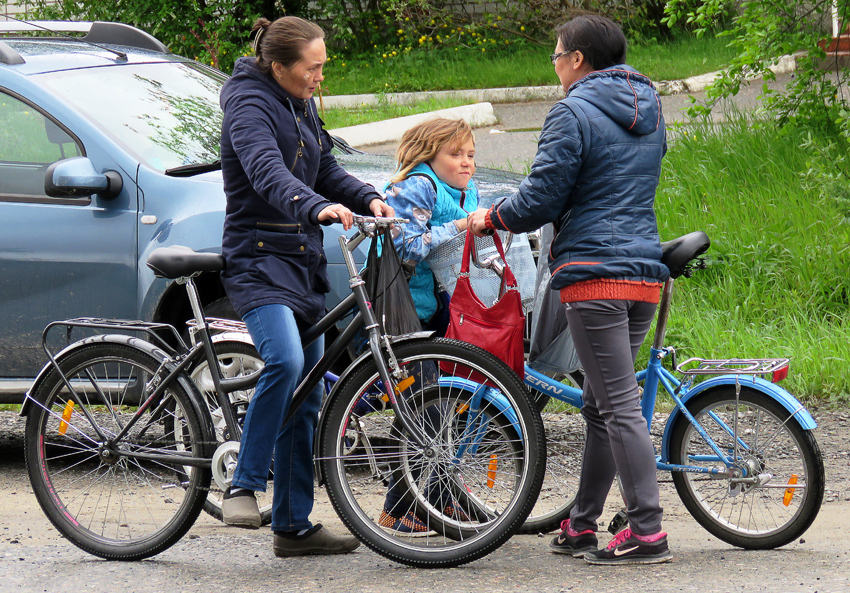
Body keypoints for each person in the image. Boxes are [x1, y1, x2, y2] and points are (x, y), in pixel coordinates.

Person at [468, 15, 672, 565]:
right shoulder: (649, 110)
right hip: (642, 272)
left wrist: (493, 217)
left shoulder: (573, 111)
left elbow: (541, 199)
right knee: (602, 405)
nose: (555, 66)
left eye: (556, 56)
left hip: (595, 274)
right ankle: (582, 525)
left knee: (617, 405)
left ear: (577, 59)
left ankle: (648, 531)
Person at [218, 15, 394, 558]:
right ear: (280, 67)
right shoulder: (248, 105)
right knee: (287, 364)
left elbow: (325, 168)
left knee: (310, 390)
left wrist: (367, 197)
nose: (320, 76)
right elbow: (268, 171)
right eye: (312, 68)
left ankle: (293, 526)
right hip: (258, 257)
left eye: (322, 66)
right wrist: (315, 207)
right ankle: (243, 486)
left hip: (301, 263)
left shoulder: (300, 104)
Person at [377, 117, 479, 532]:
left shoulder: (463, 188)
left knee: (445, 403)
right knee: (424, 407)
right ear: (427, 155)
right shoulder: (416, 186)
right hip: (405, 310)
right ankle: (398, 509)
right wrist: (458, 226)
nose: (466, 163)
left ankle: (440, 497)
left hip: (442, 308)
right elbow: (406, 246)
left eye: (471, 154)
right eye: (455, 155)